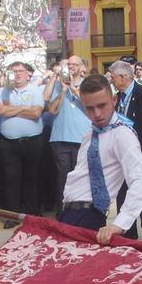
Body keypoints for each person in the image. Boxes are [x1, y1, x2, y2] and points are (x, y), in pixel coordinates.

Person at [56, 74, 142, 246]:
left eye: (102, 106)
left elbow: (141, 181)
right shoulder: (89, 135)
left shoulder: (122, 134)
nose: (97, 114)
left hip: (89, 215)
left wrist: (119, 224)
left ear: (114, 100)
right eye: (90, 108)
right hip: (68, 213)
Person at [108, 60, 142, 243]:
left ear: (123, 77)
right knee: (123, 192)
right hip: (124, 154)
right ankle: (128, 230)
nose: (112, 81)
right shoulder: (119, 97)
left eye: (113, 77)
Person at [0, 61, 46, 223]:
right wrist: (25, 108)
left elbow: (37, 113)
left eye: (20, 71)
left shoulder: (35, 90)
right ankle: (12, 216)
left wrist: (14, 110)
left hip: (33, 141)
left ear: (27, 74)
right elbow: (2, 111)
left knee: (32, 178)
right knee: (11, 179)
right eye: (14, 71)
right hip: (9, 143)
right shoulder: (3, 91)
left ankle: (32, 214)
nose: (17, 74)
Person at [44, 55, 92, 212]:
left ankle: (82, 209)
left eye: (74, 64)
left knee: (81, 177)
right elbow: (51, 108)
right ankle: (63, 210)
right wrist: (63, 90)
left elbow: (90, 105)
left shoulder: (89, 84)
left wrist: (72, 87)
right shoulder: (59, 85)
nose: (70, 66)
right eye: (68, 64)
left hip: (83, 139)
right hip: (60, 139)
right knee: (63, 177)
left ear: (82, 68)